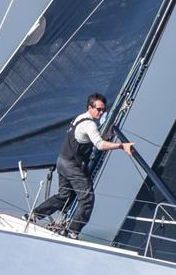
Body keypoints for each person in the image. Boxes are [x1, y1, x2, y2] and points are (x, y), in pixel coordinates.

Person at [29, 93, 134, 239]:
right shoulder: (89, 124)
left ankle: (34, 215)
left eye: (103, 110)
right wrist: (122, 146)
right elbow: (99, 145)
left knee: (64, 195)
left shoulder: (81, 118)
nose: (101, 112)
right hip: (72, 166)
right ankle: (73, 231)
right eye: (98, 109)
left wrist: (108, 134)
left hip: (62, 161)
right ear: (90, 107)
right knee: (87, 197)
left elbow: (90, 139)